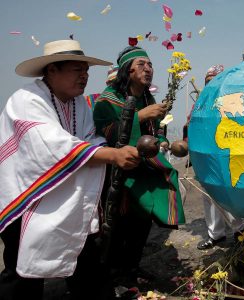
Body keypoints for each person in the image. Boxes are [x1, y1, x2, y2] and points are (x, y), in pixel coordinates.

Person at [0, 39, 140, 300]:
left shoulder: (78, 105)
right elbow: (49, 145)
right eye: (77, 70)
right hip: (26, 198)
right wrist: (112, 154)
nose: (85, 76)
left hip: (65, 197)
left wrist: (109, 151)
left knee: (84, 256)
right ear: (52, 70)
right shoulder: (26, 99)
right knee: (22, 274)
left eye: (86, 70)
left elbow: (89, 138)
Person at [93, 45, 186, 283]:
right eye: (141, 64)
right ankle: (114, 275)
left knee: (141, 225)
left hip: (145, 170)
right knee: (118, 227)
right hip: (120, 173)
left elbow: (158, 131)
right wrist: (141, 115)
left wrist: (164, 143)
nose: (148, 69)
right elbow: (109, 133)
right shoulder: (108, 99)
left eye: (151, 64)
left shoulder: (148, 97)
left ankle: (132, 269)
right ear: (127, 70)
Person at [183, 65, 244, 250]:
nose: (213, 85)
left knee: (230, 194)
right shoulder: (200, 103)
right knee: (208, 196)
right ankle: (215, 234)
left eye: (217, 81)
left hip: (227, 155)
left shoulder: (232, 101)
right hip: (205, 157)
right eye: (208, 82)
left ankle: (239, 230)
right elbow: (191, 128)